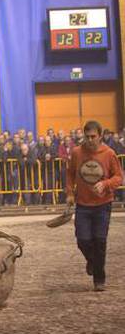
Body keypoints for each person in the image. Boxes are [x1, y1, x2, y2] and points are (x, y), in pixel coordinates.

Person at [66, 121, 123, 292]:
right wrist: (69, 193)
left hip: (103, 205)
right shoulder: (77, 152)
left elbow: (119, 177)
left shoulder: (109, 153)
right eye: (87, 136)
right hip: (82, 204)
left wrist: (105, 184)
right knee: (83, 240)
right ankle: (92, 261)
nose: (90, 140)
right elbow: (70, 173)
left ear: (100, 136)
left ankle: (99, 278)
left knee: (100, 241)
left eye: (93, 137)